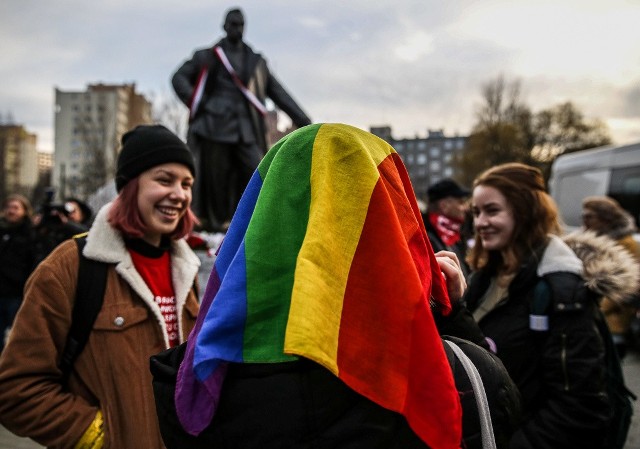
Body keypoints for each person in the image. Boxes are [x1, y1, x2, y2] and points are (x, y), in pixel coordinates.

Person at [151, 124, 521, 449]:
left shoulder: (192, 384)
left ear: (261, 217)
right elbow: (496, 413)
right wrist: (452, 314)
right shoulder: (463, 375)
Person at [0, 125, 201, 448]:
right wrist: (98, 436)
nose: (180, 194)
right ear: (129, 187)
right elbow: (16, 389)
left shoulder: (187, 269)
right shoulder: (68, 266)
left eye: (187, 184)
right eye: (164, 180)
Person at [460, 162, 610, 449]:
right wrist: (454, 308)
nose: (480, 223)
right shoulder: (484, 278)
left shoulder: (562, 291)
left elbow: (581, 407)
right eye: (476, 212)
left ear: (525, 211)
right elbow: (480, 350)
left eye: (492, 211)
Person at [172, 7, 312, 232]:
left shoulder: (256, 62)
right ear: (225, 26)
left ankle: (257, 225)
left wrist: (304, 120)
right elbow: (178, 78)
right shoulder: (208, 55)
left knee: (257, 173)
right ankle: (216, 230)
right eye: (232, 24)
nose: (236, 28)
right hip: (213, 128)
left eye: (240, 24)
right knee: (216, 181)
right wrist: (200, 103)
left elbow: (279, 93)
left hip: (245, 130)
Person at [581, 195, 640, 359]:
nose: (585, 221)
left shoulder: (627, 243)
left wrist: (597, 308)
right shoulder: (588, 240)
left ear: (605, 218)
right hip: (589, 315)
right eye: (584, 216)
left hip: (612, 319)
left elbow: (628, 282)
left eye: (589, 216)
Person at [0, 194, 35, 352]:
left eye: (16, 207)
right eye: (9, 207)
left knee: (18, 337)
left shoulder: (31, 233)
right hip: (1, 291)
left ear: (24, 211)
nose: (11, 211)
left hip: (18, 293)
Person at [424, 178, 472, 278]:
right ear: (444, 206)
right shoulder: (425, 239)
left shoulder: (454, 233)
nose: (465, 208)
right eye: (461, 202)